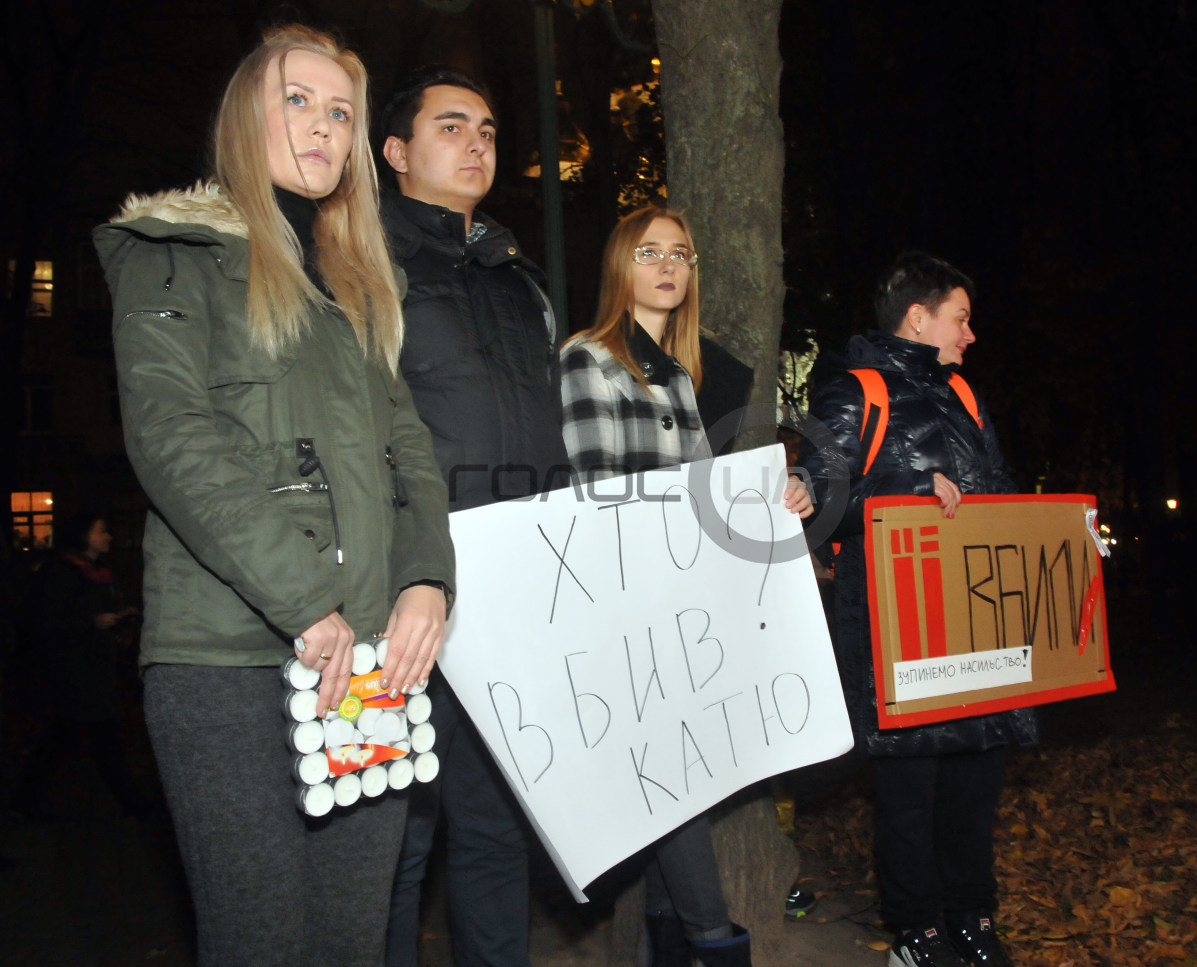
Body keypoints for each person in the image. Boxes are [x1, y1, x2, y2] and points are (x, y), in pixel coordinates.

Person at [94, 26, 455, 966]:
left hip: (367, 666)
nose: (323, 125)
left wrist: (427, 579)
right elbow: (172, 437)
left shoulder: (358, 282)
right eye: (298, 100)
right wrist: (306, 598)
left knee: (350, 942)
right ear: (244, 115)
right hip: (225, 659)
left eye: (340, 110)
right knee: (262, 942)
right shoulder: (171, 251)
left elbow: (407, 448)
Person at [559, 206, 811, 967]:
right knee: (672, 782)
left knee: (684, 783)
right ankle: (715, 944)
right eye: (649, 252)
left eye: (680, 255)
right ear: (619, 265)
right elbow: (597, 492)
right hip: (628, 603)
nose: (668, 266)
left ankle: (683, 948)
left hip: (686, 603)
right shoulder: (589, 356)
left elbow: (709, 492)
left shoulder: (679, 374)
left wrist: (779, 492)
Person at [379, 67, 569, 967]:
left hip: (518, 588)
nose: (478, 142)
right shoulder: (362, 264)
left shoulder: (515, 274)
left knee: (496, 828)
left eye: (488, 128)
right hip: (410, 591)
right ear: (395, 152)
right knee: (399, 838)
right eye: (450, 126)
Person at [800, 252, 1036, 967]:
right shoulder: (855, 391)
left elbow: (995, 489)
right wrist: (906, 491)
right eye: (961, 319)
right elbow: (818, 503)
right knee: (910, 791)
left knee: (975, 784)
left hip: (974, 622)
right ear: (919, 316)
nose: (970, 335)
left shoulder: (964, 396)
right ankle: (916, 932)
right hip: (898, 631)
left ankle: (973, 920)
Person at [18, 512, 145, 818]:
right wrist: (91, 623)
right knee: (88, 735)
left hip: (93, 668)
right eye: (102, 531)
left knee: (76, 735)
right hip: (73, 669)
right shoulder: (62, 572)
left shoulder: (97, 572)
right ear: (85, 536)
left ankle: (23, 804)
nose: (109, 538)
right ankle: (131, 803)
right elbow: (46, 621)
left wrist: (120, 617)